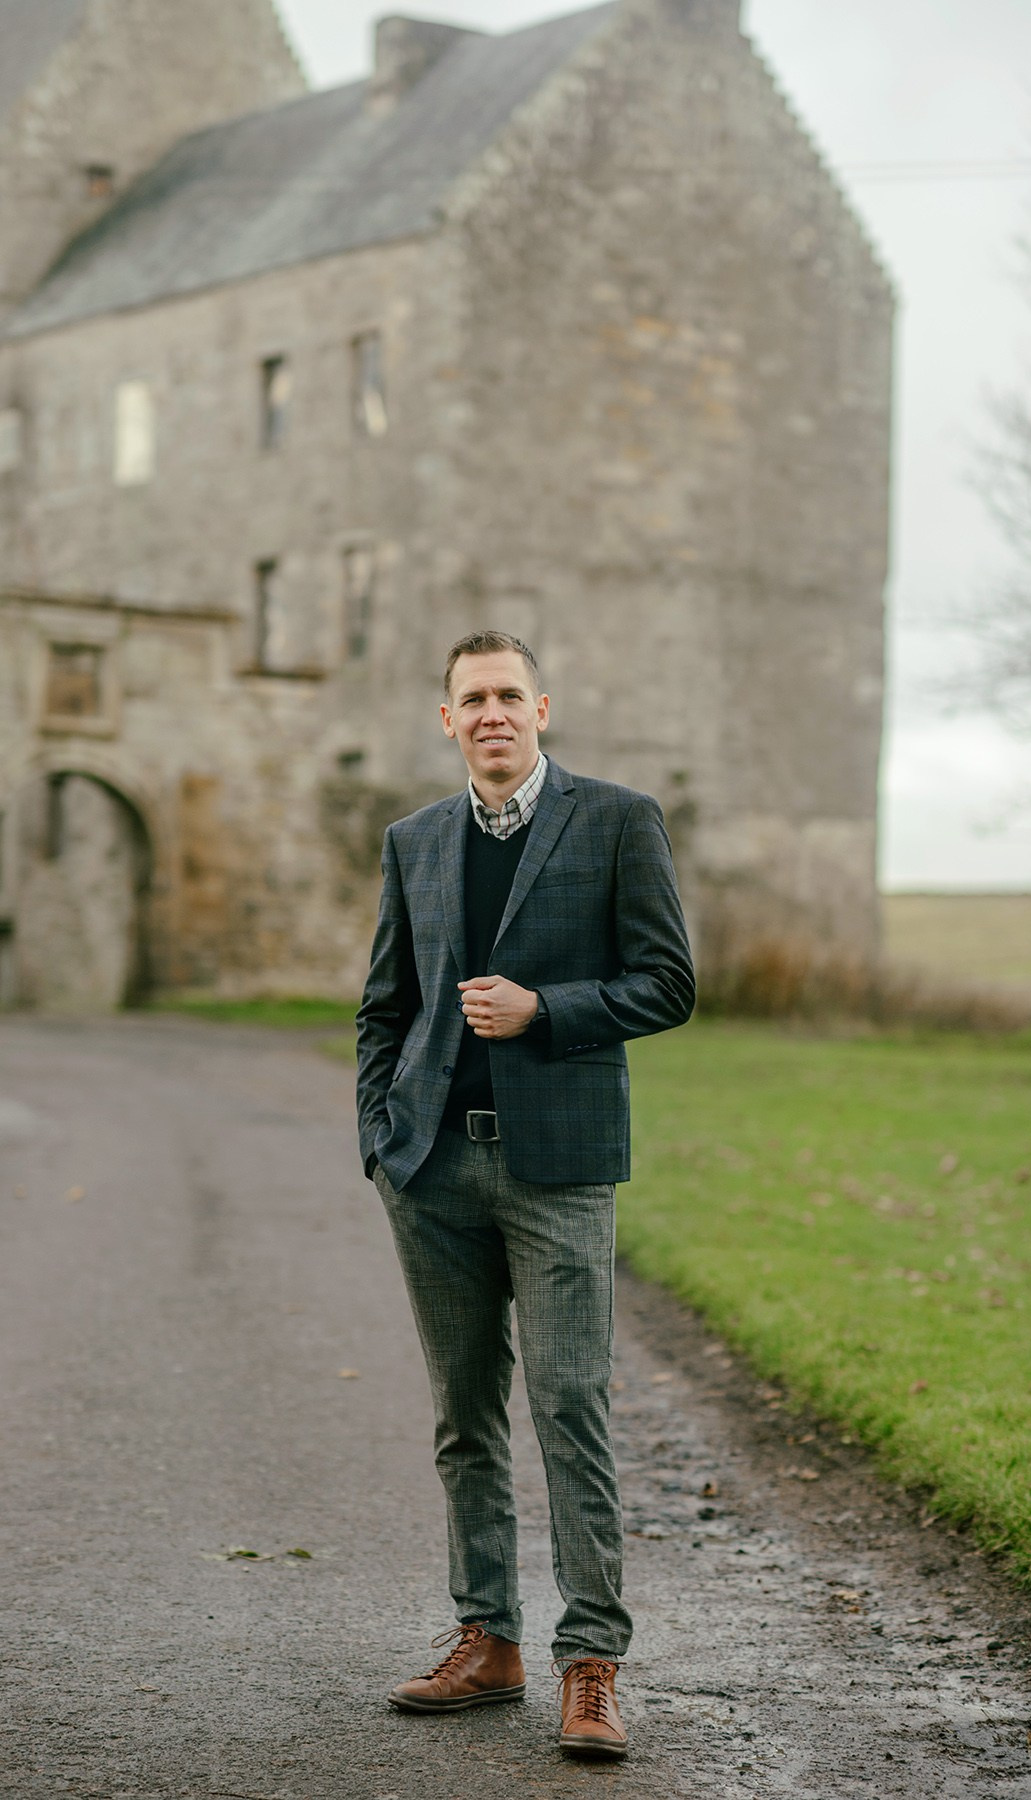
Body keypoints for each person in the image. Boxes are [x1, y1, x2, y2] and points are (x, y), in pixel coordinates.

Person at [356, 629, 695, 1759]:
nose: (492, 713)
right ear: (446, 722)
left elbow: (667, 983)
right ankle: (486, 1638)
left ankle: (589, 1662)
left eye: (509, 695)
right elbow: (385, 1006)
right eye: (471, 700)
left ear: (540, 709)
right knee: (463, 1418)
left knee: (569, 1410)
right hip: (433, 1170)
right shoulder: (415, 840)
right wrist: (381, 1135)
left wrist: (547, 1009)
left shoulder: (616, 821)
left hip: (559, 1170)